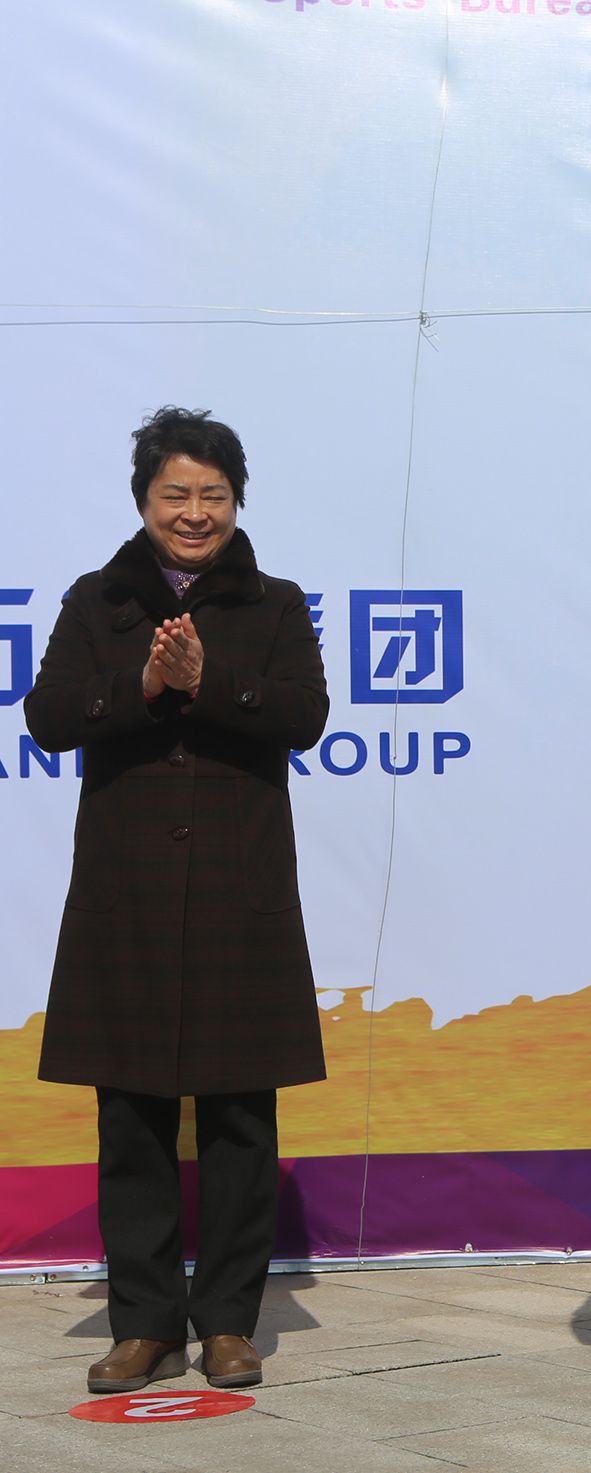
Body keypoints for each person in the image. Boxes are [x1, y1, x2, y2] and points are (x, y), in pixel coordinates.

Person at [26, 407, 329, 1394]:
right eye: (175, 494)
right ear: (144, 501)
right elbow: (48, 715)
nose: (194, 512)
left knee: (241, 1119)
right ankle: (145, 1323)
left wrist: (209, 681)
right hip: (129, 895)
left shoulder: (276, 604)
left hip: (239, 892)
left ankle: (230, 1321)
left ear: (236, 501)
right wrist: (146, 686)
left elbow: (306, 716)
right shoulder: (96, 599)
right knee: (132, 1120)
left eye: (213, 494)